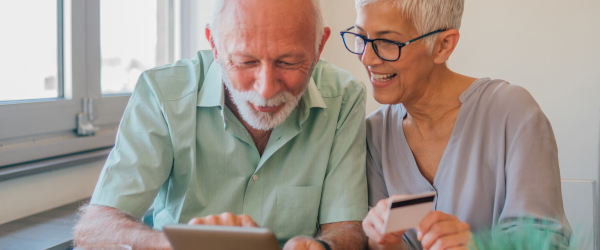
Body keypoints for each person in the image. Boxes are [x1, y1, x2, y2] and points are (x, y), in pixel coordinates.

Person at [73, 0, 370, 249]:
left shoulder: (344, 98)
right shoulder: (163, 93)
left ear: (319, 47)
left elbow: (348, 228)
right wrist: (175, 246)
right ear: (214, 45)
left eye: (288, 62)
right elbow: (93, 229)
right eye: (245, 61)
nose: (266, 89)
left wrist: (322, 247)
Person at [339, 0, 572, 249]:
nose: (367, 57)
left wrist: (475, 247)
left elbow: (547, 242)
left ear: (443, 45)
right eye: (361, 37)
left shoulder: (512, 113)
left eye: (388, 42)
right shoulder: (374, 133)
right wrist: (383, 242)